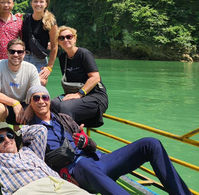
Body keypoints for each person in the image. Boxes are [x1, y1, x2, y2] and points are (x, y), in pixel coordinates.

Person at [25, 84, 192, 195]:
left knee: (150, 144)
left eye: (44, 97)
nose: (41, 101)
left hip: (100, 160)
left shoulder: (64, 118)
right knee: (84, 164)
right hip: (78, 171)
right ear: (30, 103)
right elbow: (36, 163)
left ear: (49, 100)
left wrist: (86, 142)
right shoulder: (30, 131)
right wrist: (61, 174)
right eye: (36, 98)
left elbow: (92, 145)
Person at [0, 122, 90, 195]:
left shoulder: (30, 151)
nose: (7, 140)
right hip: (31, 189)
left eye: (9, 135)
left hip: (58, 183)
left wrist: (17, 133)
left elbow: (40, 130)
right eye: (1, 138)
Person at [51, 26, 108, 127]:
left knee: (65, 107)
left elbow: (95, 77)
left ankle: (69, 140)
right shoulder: (62, 58)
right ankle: (56, 135)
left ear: (75, 38)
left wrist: (79, 94)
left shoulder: (84, 54)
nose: (65, 40)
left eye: (69, 37)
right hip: (76, 96)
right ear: (58, 42)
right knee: (53, 104)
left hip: (95, 97)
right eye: (62, 38)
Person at [0, 38, 41, 128]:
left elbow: (36, 94)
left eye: (19, 52)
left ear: (24, 54)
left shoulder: (31, 68)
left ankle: (28, 138)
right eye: (12, 51)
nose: (16, 55)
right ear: (7, 52)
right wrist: (14, 103)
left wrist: (30, 108)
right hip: (4, 103)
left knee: (40, 107)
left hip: (24, 104)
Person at [22, 0, 58, 85]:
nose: (38, 4)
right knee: (22, 87)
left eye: (41, 2)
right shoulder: (25, 18)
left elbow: (54, 46)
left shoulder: (50, 22)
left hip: (39, 60)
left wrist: (49, 67)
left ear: (46, 4)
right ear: (31, 3)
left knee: (40, 83)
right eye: (35, 1)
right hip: (23, 58)